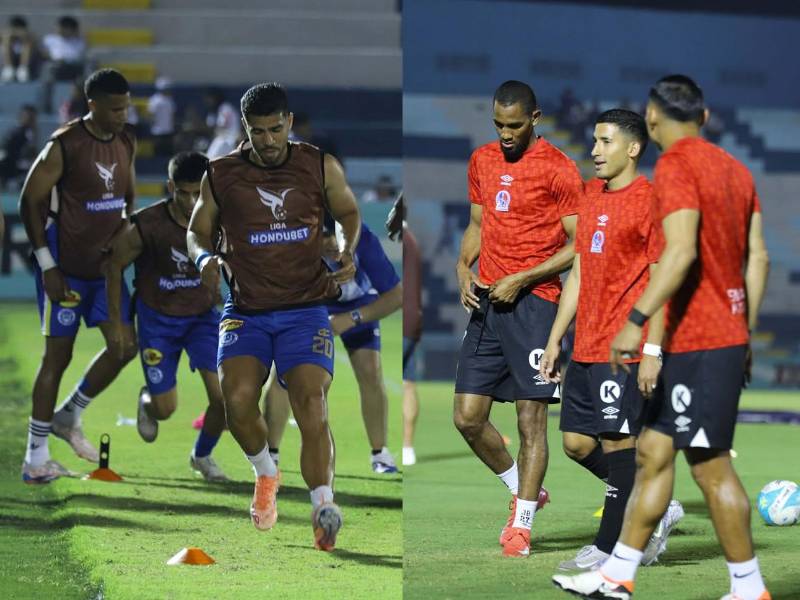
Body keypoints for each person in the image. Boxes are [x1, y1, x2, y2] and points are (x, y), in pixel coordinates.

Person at [553, 75, 771, 600]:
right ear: (705, 116)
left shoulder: (675, 167)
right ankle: (617, 574)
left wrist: (638, 322)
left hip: (700, 340)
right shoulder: (737, 170)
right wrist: (743, 331)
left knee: (711, 469)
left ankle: (749, 588)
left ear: (651, 120)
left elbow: (679, 253)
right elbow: (758, 257)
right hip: (715, 337)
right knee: (651, 454)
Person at [187, 82, 361, 551]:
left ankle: (323, 506)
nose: (267, 141)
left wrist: (346, 249)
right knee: (237, 402)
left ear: (289, 122)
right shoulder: (221, 174)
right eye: (257, 131)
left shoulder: (319, 165)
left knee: (311, 401)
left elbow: (348, 212)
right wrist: (204, 259)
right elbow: (197, 231)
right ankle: (266, 473)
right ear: (245, 128)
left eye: (275, 129)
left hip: (306, 308)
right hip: (248, 310)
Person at [540, 109, 683, 572]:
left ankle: (608, 549)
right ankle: (655, 501)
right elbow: (580, 272)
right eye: (595, 141)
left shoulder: (650, 201)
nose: (595, 151)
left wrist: (652, 351)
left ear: (633, 148)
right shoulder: (590, 194)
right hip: (586, 344)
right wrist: (556, 338)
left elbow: (662, 282)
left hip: (624, 348)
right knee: (577, 444)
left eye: (605, 142)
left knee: (619, 444)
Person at [453, 80, 583, 558]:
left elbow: (577, 247)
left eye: (513, 125)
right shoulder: (482, 160)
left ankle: (521, 526)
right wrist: (463, 266)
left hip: (537, 305)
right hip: (488, 301)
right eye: (498, 125)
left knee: (531, 421)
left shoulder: (559, 169)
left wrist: (524, 278)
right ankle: (522, 488)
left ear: (535, 118)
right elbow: (478, 224)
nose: (505, 134)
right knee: (467, 417)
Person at [18, 68, 137, 483]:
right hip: (65, 269)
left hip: (105, 271)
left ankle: (69, 414)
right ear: (92, 105)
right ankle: (35, 458)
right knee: (58, 357)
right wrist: (47, 265)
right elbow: (29, 201)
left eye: (126, 107)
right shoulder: (64, 145)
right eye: (115, 109)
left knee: (124, 346)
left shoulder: (126, 140)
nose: (123, 115)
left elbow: (127, 199)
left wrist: (125, 231)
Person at [105, 151, 228, 482]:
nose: (190, 202)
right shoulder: (147, 225)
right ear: (171, 187)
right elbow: (113, 265)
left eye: (197, 193)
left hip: (202, 318)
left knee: (225, 398)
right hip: (158, 321)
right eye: (183, 193)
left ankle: (201, 456)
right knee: (165, 410)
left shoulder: (219, 219)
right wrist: (119, 323)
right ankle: (148, 401)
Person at [263, 215, 402, 473]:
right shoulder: (295, 246)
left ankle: (380, 454)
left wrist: (352, 318)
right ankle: (269, 455)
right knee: (283, 373)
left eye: (335, 235)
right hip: (311, 304)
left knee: (370, 371)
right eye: (324, 236)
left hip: (358, 304)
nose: (331, 243)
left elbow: (396, 295)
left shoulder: (362, 238)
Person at [387, 194, 422, 466]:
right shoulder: (413, 241)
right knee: (408, 382)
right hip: (415, 318)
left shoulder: (405, 240)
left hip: (405, 320)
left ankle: (394, 445)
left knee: (388, 380)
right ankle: (408, 447)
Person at [0, 104, 37, 190]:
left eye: (32, 117)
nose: (30, 120)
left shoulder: (29, 132)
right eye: (28, 117)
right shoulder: (17, 132)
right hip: (10, 165)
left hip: (16, 165)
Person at [204, 88, 240, 159]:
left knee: (210, 160)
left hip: (228, 140)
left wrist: (200, 126)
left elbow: (221, 127)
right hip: (224, 139)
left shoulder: (225, 108)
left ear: (216, 98)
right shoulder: (216, 110)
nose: (208, 102)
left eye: (210, 99)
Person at [147, 77, 176, 156]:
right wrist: (153, 127)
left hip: (168, 131)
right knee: (158, 153)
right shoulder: (154, 100)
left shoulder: (169, 100)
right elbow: (151, 115)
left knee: (168, 153)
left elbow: (172, 115)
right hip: (158, 132)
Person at [1, 16, 35, 82]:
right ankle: (8, 68)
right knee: (5, 42)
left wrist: (23, 36)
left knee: (27, 45)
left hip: (22, 60)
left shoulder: (29, 37)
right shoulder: (6, 35)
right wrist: (8, 36)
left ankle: (23, 69)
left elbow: (33, 39)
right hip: (8, 61)